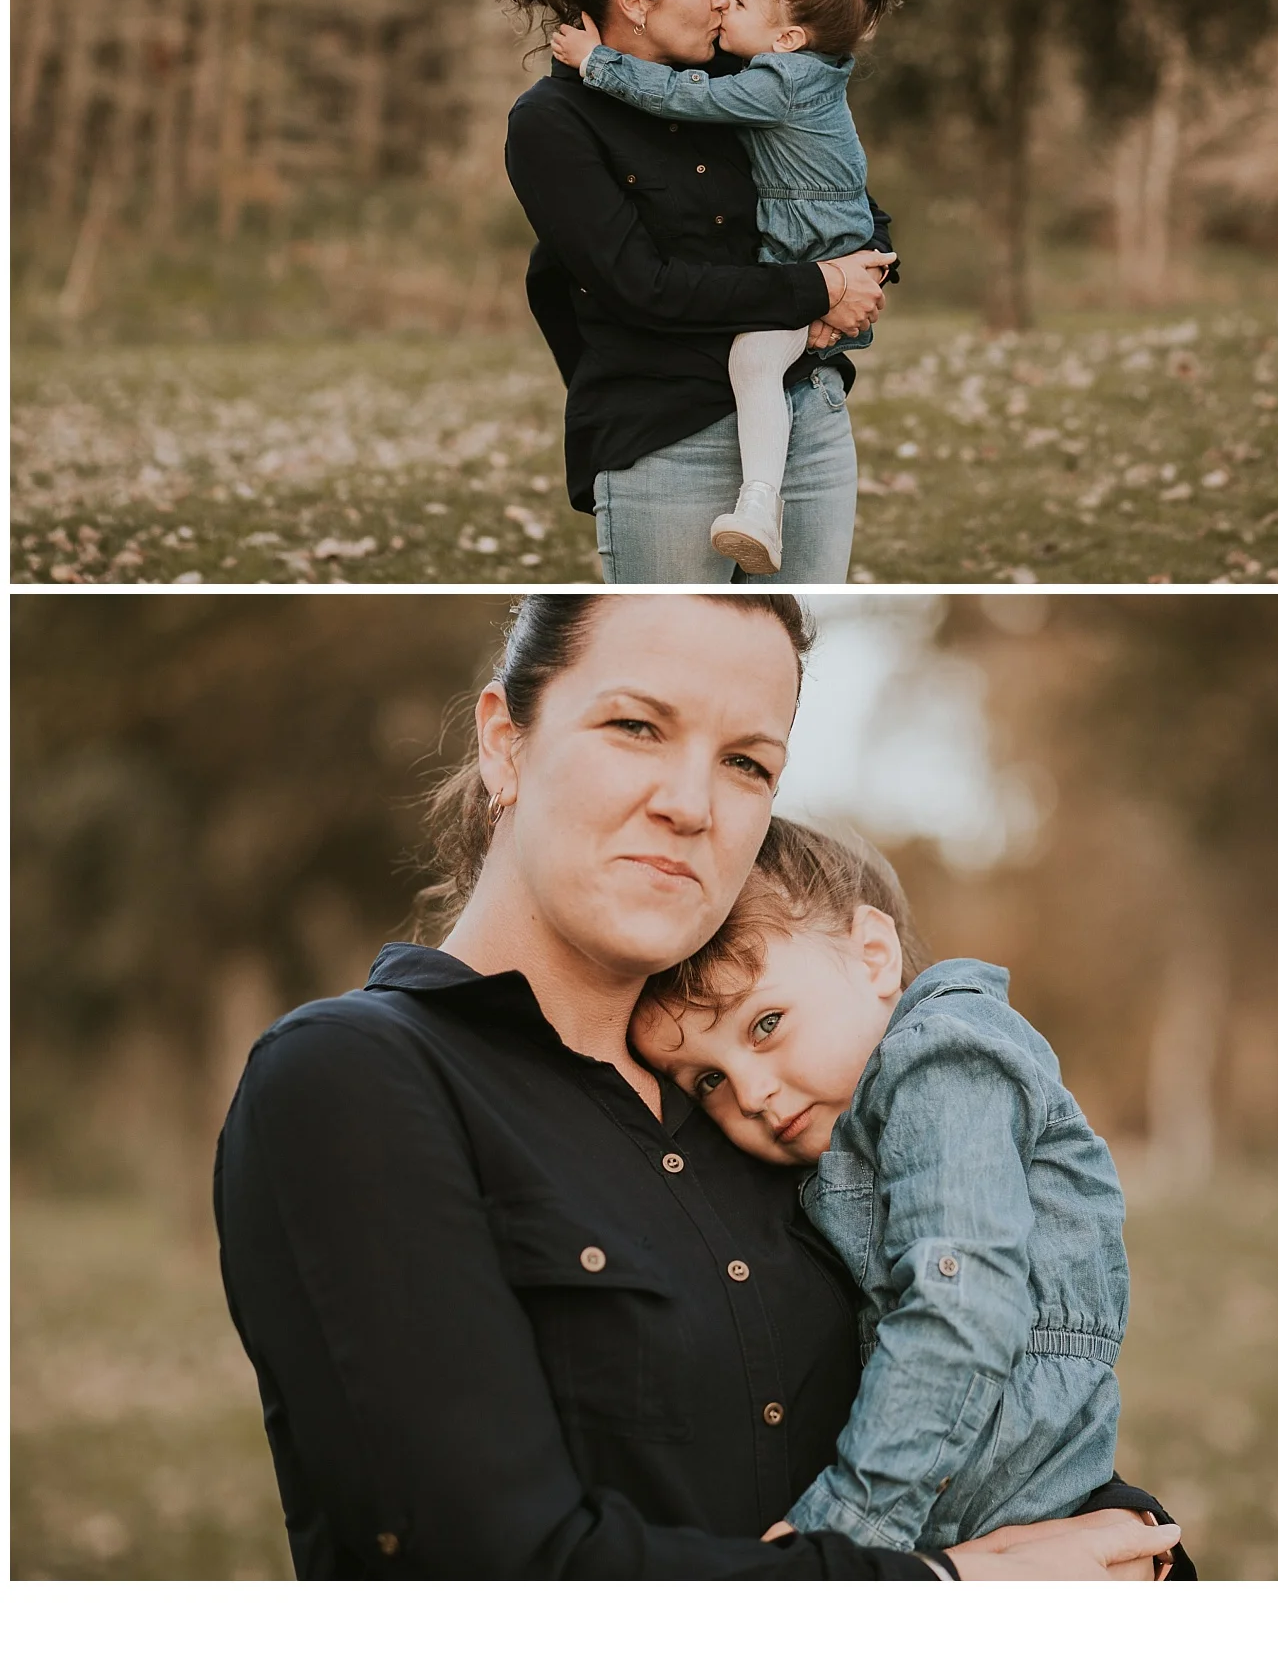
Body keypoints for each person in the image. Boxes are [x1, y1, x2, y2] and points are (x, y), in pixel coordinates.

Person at [214, 594, 1180, 1581]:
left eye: (746, 762)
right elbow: (487, 1570)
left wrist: (1132, 1553)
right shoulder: (353, 1079)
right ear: (507, 740)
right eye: (637, 725)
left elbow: (987, 1395)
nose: (692, 801)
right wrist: (953, 1589)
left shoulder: (778, 1111)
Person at [632, 817, 1195, 1578]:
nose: (753, 1092)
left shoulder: (941, 1060)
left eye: (764, 1024)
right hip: (965, 1515)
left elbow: (958, 1312)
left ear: (873, 954)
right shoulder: (835, 1136)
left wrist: (839, 1537)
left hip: (1008, 1497)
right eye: (708, 1082)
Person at [498, 0, 897, 584]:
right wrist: (815, 287)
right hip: (669, 441)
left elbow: (847, 198)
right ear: (633, 2)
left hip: (810, 420)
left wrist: (863, 274)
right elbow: (640, 287)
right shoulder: (551, 125)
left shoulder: (752, 78)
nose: (721, 0)